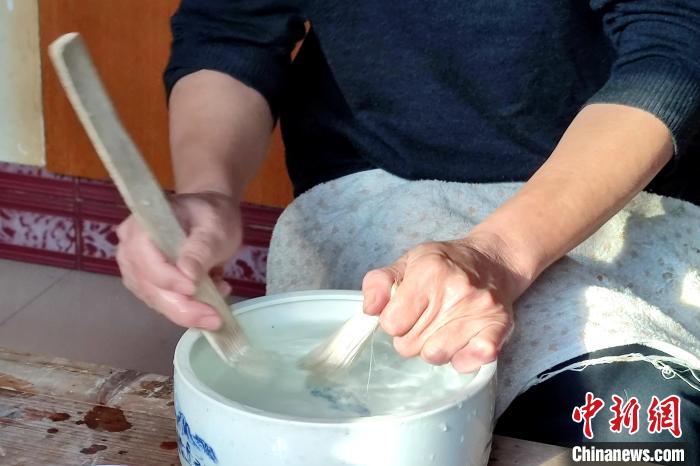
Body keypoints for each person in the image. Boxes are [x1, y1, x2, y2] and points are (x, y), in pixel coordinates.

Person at [116, 0, 700, 456]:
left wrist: (497, 252)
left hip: (605, 195)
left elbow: (676, 39)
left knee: (643, 430)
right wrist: (208, 192)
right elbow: (230, 29)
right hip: (374, 191)